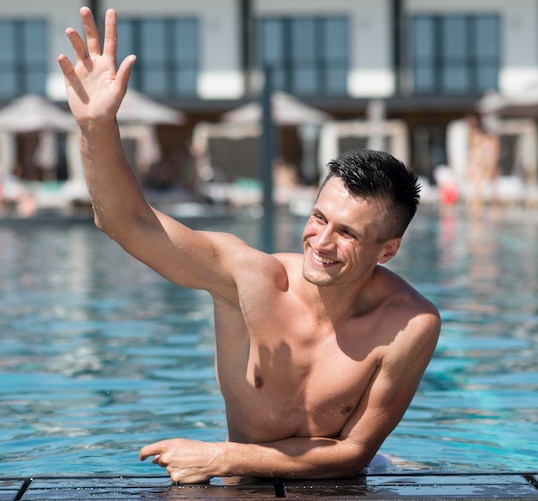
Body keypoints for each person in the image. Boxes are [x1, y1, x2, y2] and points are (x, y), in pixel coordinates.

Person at [58, 7, 441, 484]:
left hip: (339, 487)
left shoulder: (409, 324)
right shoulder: (249, 279)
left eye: (347, 233)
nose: (320, 242)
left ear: (387, 250)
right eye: (318, 218)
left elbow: (354, 453)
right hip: (248, 487)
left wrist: (220, 457)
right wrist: (97, 127)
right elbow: (125, 221)